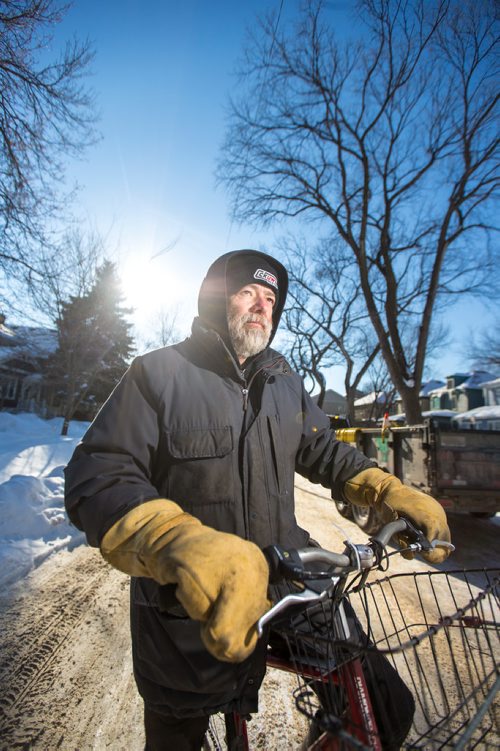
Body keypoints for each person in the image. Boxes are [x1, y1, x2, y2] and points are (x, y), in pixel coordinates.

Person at [64, 249, 452, 750]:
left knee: (382, 705)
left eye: (270, 298)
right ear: (215, 298)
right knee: (177, 733)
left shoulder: (285, 384)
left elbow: (323, 451)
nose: (261, 306)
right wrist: (172, 541)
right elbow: (99, 472)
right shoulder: (157, 374)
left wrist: (385, 489)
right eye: (248, 291)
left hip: (288, 576)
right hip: (190, 603)